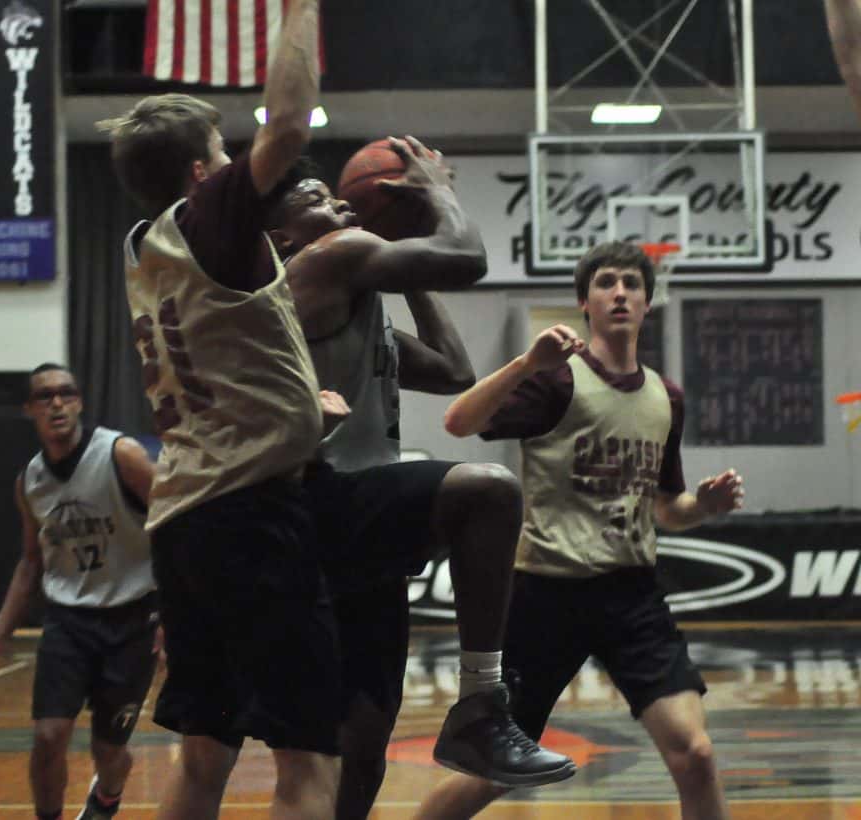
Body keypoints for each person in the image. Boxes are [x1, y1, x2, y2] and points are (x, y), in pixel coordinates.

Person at [265, 147, 576, 820]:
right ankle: (481, 705)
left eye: (337, 197)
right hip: (317, 499)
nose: (339, 204)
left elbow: (453, 370)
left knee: (366, 741)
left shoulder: (356, 290)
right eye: (316, 200)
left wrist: (406, 268)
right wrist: (434, 192)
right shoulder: (324, 258)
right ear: (281, 237)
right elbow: (466, 258)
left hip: (356, 515)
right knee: (488, 491)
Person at [97, 3, 345, 817]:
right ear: (203, 173)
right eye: (222, 151)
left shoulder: (147, 249)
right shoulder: (208, 221)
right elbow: (289, 123)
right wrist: (300, 10)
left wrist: (293, 411)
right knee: (310, 761)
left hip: (186, 522)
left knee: (205, 752)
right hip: (252, 519)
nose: (237, 160)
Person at [419, 241, 745, 820]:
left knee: (695, 754)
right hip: (547, 595)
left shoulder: (666, 398)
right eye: (606, 283)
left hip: (632, 596)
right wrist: (526, 363)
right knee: (490, 774)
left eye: (631, 284)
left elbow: (667, 510)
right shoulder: (556, 383)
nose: (619, 293)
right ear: (584, 303)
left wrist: (704, 505)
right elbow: (458, 421)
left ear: (647, 303)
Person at [0, 363, 159, 820]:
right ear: (29, 409)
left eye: (66, 393)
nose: (57, 403)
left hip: (132, 617)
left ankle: (106, 795)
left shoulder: (120, 455)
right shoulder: (29, 481)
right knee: (48, 736)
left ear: (80, 403)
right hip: (70, 620)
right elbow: (31, 561)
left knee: (110, 752)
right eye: (45, 396)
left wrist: (174, 612)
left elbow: (171, 524)